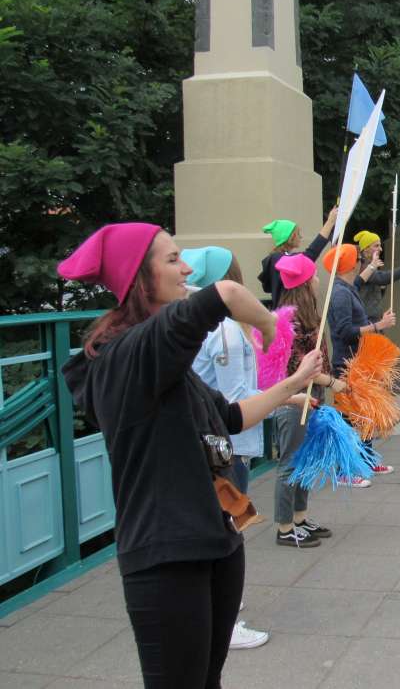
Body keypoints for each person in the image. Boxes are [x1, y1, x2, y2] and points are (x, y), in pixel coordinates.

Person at [59, 223, 324, 688]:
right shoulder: (129, 354)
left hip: (215, 538)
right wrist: (270, 326)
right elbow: (223, 292)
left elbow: (229, 416)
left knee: (208, 680)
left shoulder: (162, 361)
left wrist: (292, 386)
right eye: (171, 259)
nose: (185, 269)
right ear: (138, 278)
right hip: (167, 555)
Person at [181, 246, 269, 649]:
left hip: (218, 443)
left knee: (223, 529)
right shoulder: (224, 329)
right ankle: (224, 620)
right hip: (226, 448)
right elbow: (234, 398)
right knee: (227, 529)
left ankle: (219, 611)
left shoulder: (203, 324)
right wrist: (281, 395)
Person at [272, 253, 354, 531]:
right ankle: (285, 527)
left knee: (305, 459)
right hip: (294, 400)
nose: (319, 279)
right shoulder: (289, 321)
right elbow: (297, 369)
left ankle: (300, 518)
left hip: (313, 396)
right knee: (290, 464)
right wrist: (332, 382)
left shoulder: (308, 318)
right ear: (306, 284)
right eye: (314, 276)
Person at [322, 243, 398, 476]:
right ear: (350, 265)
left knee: (364, 415)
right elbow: (345, 331)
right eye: (358, 260)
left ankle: (366, 460)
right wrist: (379, 326)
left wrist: (373, 265)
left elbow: (359, 281)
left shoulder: (346, 287)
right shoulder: (340, 293)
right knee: (347, 419)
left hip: (358, 362)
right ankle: (344, 471)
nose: (360, 263)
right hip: (347, 364)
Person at [258, 206, 337, 308]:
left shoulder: (276, 259)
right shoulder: (279, 259)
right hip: (288, 318)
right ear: (291, 237)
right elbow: (309, 256)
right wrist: (329, 223)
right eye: (298, 234)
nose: (301, 237)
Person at [352, 230, 400, 321]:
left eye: (380, 245)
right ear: (366, 248)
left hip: (374, 318)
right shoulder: (362, 265)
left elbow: (377, 290)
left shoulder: (371, 264)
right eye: (376, 246)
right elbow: (382, 278)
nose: (381, 249)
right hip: (366, 320)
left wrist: (382, 288)